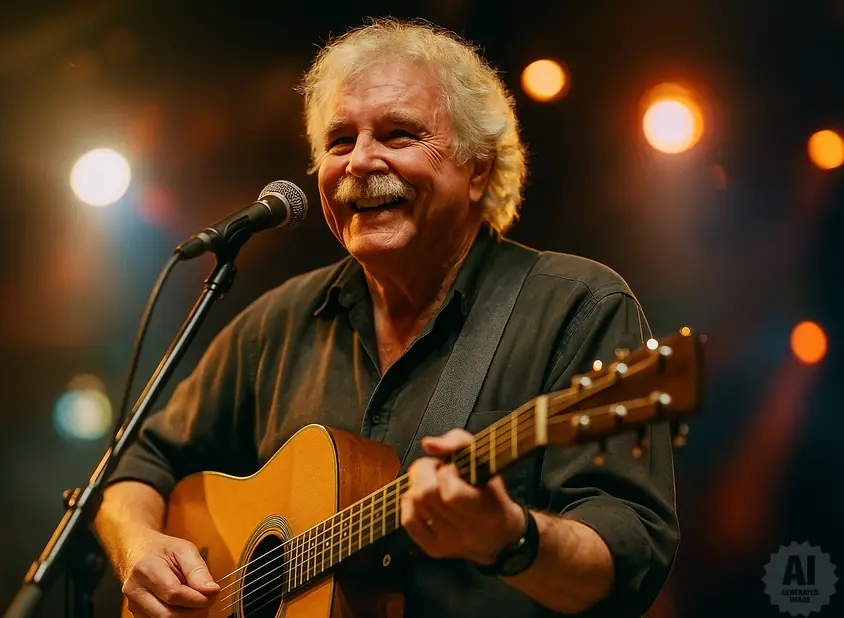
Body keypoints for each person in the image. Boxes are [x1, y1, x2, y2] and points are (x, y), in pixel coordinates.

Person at [95, 18, 678, 618]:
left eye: (399, 135)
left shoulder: (578, 307)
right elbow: (135, 466)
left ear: (478, 169)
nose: (358, 163)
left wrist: (510, 537)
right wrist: (138, 545)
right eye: (339, 141)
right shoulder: (274, 324)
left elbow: (628, 562)